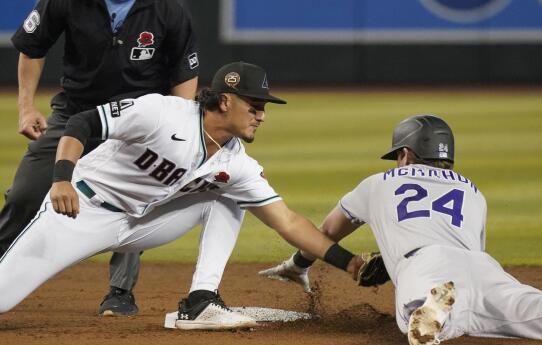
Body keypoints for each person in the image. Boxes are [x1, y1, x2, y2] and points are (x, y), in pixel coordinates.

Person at [0, 61, 366, 330]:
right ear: (225, 101)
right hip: (81, 210)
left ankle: (200, 302)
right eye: (254, 105)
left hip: (140, 223)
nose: (262, 115)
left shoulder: (235, 161)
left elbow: (287, 221)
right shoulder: (163, 113)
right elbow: (83, 122)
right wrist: (62, 177)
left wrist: (349, 263)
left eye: (264, 107)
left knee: (224, 195)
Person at [260, 115, 542, 345]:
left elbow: (328, 232)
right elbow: (469, 250)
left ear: (405, 154)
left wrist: (299, 264)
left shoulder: (377, 183)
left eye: (397, 155)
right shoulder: (473, 191)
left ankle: (436, 310)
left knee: (416, 322)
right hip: (481, 266)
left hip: (425, 265)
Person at [6, 0, 200, 316]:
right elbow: (31, 47)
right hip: (74, 113)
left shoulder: (168, 9)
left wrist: (176, 128)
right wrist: (26, 107)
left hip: (135, 124)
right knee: (25, 195)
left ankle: (120, 293)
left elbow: (184, 71)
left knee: (132, 201)